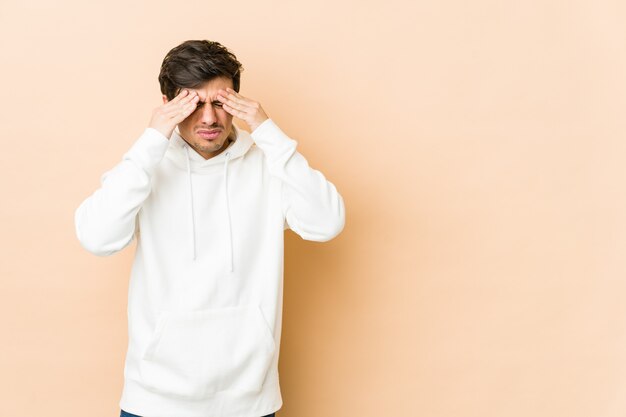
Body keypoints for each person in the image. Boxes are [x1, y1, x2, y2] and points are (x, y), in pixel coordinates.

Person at [74, 40, 345, 417]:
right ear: (168, 103)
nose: (208, 119)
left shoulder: (269, 164)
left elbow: (326, 222)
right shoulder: (146, 167)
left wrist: (268, 132)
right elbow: (96, 236)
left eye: (220, 103)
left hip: (248, 399)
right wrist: (152, 140)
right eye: (193, 104)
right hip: (154, 399)